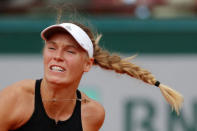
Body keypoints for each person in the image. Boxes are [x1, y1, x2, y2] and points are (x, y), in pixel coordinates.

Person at [0, 22, 183, 131]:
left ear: (87, 64)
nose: (57, 56)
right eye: (52, 48)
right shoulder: (14, 99)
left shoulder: (92, 115)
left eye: (70, 51)